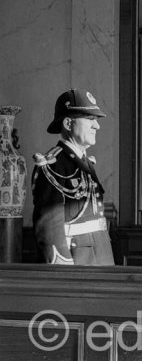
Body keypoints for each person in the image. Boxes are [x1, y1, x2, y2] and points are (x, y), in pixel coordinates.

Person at [32, 89, 114, 265]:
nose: (97, 126)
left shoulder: (85, 163)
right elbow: (49, 227)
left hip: (100, 256)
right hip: (76, 262)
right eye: (90, 120)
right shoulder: (53, 165)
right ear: (68, 124)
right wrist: (62, 268)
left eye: (97, 121)